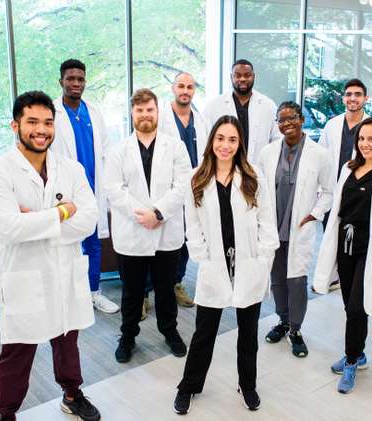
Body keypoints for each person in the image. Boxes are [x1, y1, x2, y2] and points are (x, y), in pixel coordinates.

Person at [0, 91, 101, 421]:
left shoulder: (71, 168)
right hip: (24, 276)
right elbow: (9, 228)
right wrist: (62, 211)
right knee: (17, 352)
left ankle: (72, 394)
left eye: (47, 122)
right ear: (15, 125)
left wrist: (33, 219)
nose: (41, 130)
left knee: (67, 341)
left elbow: (89, 218)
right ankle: (6, 413)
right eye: (32, 121)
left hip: (64, 272)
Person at [173, 115, 279, 415]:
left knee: (248, 333)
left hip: (248, 263)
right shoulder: (197, 177)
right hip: (215, 265)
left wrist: (262, 257)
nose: (225, 145)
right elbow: (192, 224)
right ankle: (188, 386)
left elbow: (267, 220)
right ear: (211, 141)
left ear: (240, 144)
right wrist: (202, 255)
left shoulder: (252, 175)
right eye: (220, 138)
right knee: (204, 332)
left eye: (232, 139)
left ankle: (248, 385)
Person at [313, 116, 372, 394]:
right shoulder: (347, 168)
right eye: (362, 138)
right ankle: (360, 352)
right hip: (345, 247)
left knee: (357, 308)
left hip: (370, 250)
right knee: (350, 306)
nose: (365, 144)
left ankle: (352, 360)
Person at [105, 88, 191, 364]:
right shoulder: (118, 150)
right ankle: (127, 337)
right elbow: (113, 190)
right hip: (132, 231)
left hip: (166, 231)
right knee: (132, 292)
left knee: (166, 288)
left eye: (149, 110)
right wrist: (143, 215)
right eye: (140, 110)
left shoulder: (175, 146)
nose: (145, 114)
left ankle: (170, 332)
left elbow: (183, 184)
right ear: (132, 114)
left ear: (157, 112)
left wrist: (159, 213)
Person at [259, 101, 333, 357]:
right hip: (272, 226)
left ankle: (296, 329)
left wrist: (314, 213)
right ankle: (282, 320)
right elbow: (260, 189)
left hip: (299, 227)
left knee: (297, 279)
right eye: (281, 120)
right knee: (277, 278)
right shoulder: (267, 152)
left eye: (291, 118)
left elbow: (329, 191)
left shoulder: (319, 153)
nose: (286, 123)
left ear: (302, 119)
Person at [51, 58, 119, 314]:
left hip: (93, 189)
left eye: (80, 79)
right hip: (65, 192)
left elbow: (107, 149)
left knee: (93, 244)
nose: (76, 83)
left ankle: (94, 292)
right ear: (61, 82)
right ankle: (66, 296)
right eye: (70, 79)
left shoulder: (93, 111)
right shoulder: (53, 113)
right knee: (64, 243)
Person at [157, 71, 209, 308]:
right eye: (181, 86)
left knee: (186, 238)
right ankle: (147, 292)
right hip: (164, 189)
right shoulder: (159, 116)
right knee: (158, 240)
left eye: (190, 87)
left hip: (192, 188)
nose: (185, 91)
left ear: (194, 90)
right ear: (173, 88)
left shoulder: (200, 120)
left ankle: (176, 282)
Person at [317, 78, 370, 292]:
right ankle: (332, 275)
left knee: (352, 234)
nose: (353, 98)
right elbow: (321, 155)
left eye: (358, 94)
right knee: (330, 232)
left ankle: (348, 275)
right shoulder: (333, 124)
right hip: (333, 188)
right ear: (343, 98)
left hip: (358, 190)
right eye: (349, 94)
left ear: (365, 98)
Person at [203, 59, 281, 164]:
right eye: (237, 75)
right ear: (231, 77)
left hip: (258, 168)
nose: (242, 79)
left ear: (254, 76)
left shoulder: (268, 105)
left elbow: (277, 141)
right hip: (223, 167)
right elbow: (206, 141)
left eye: (247, 75)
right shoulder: (213, 106)